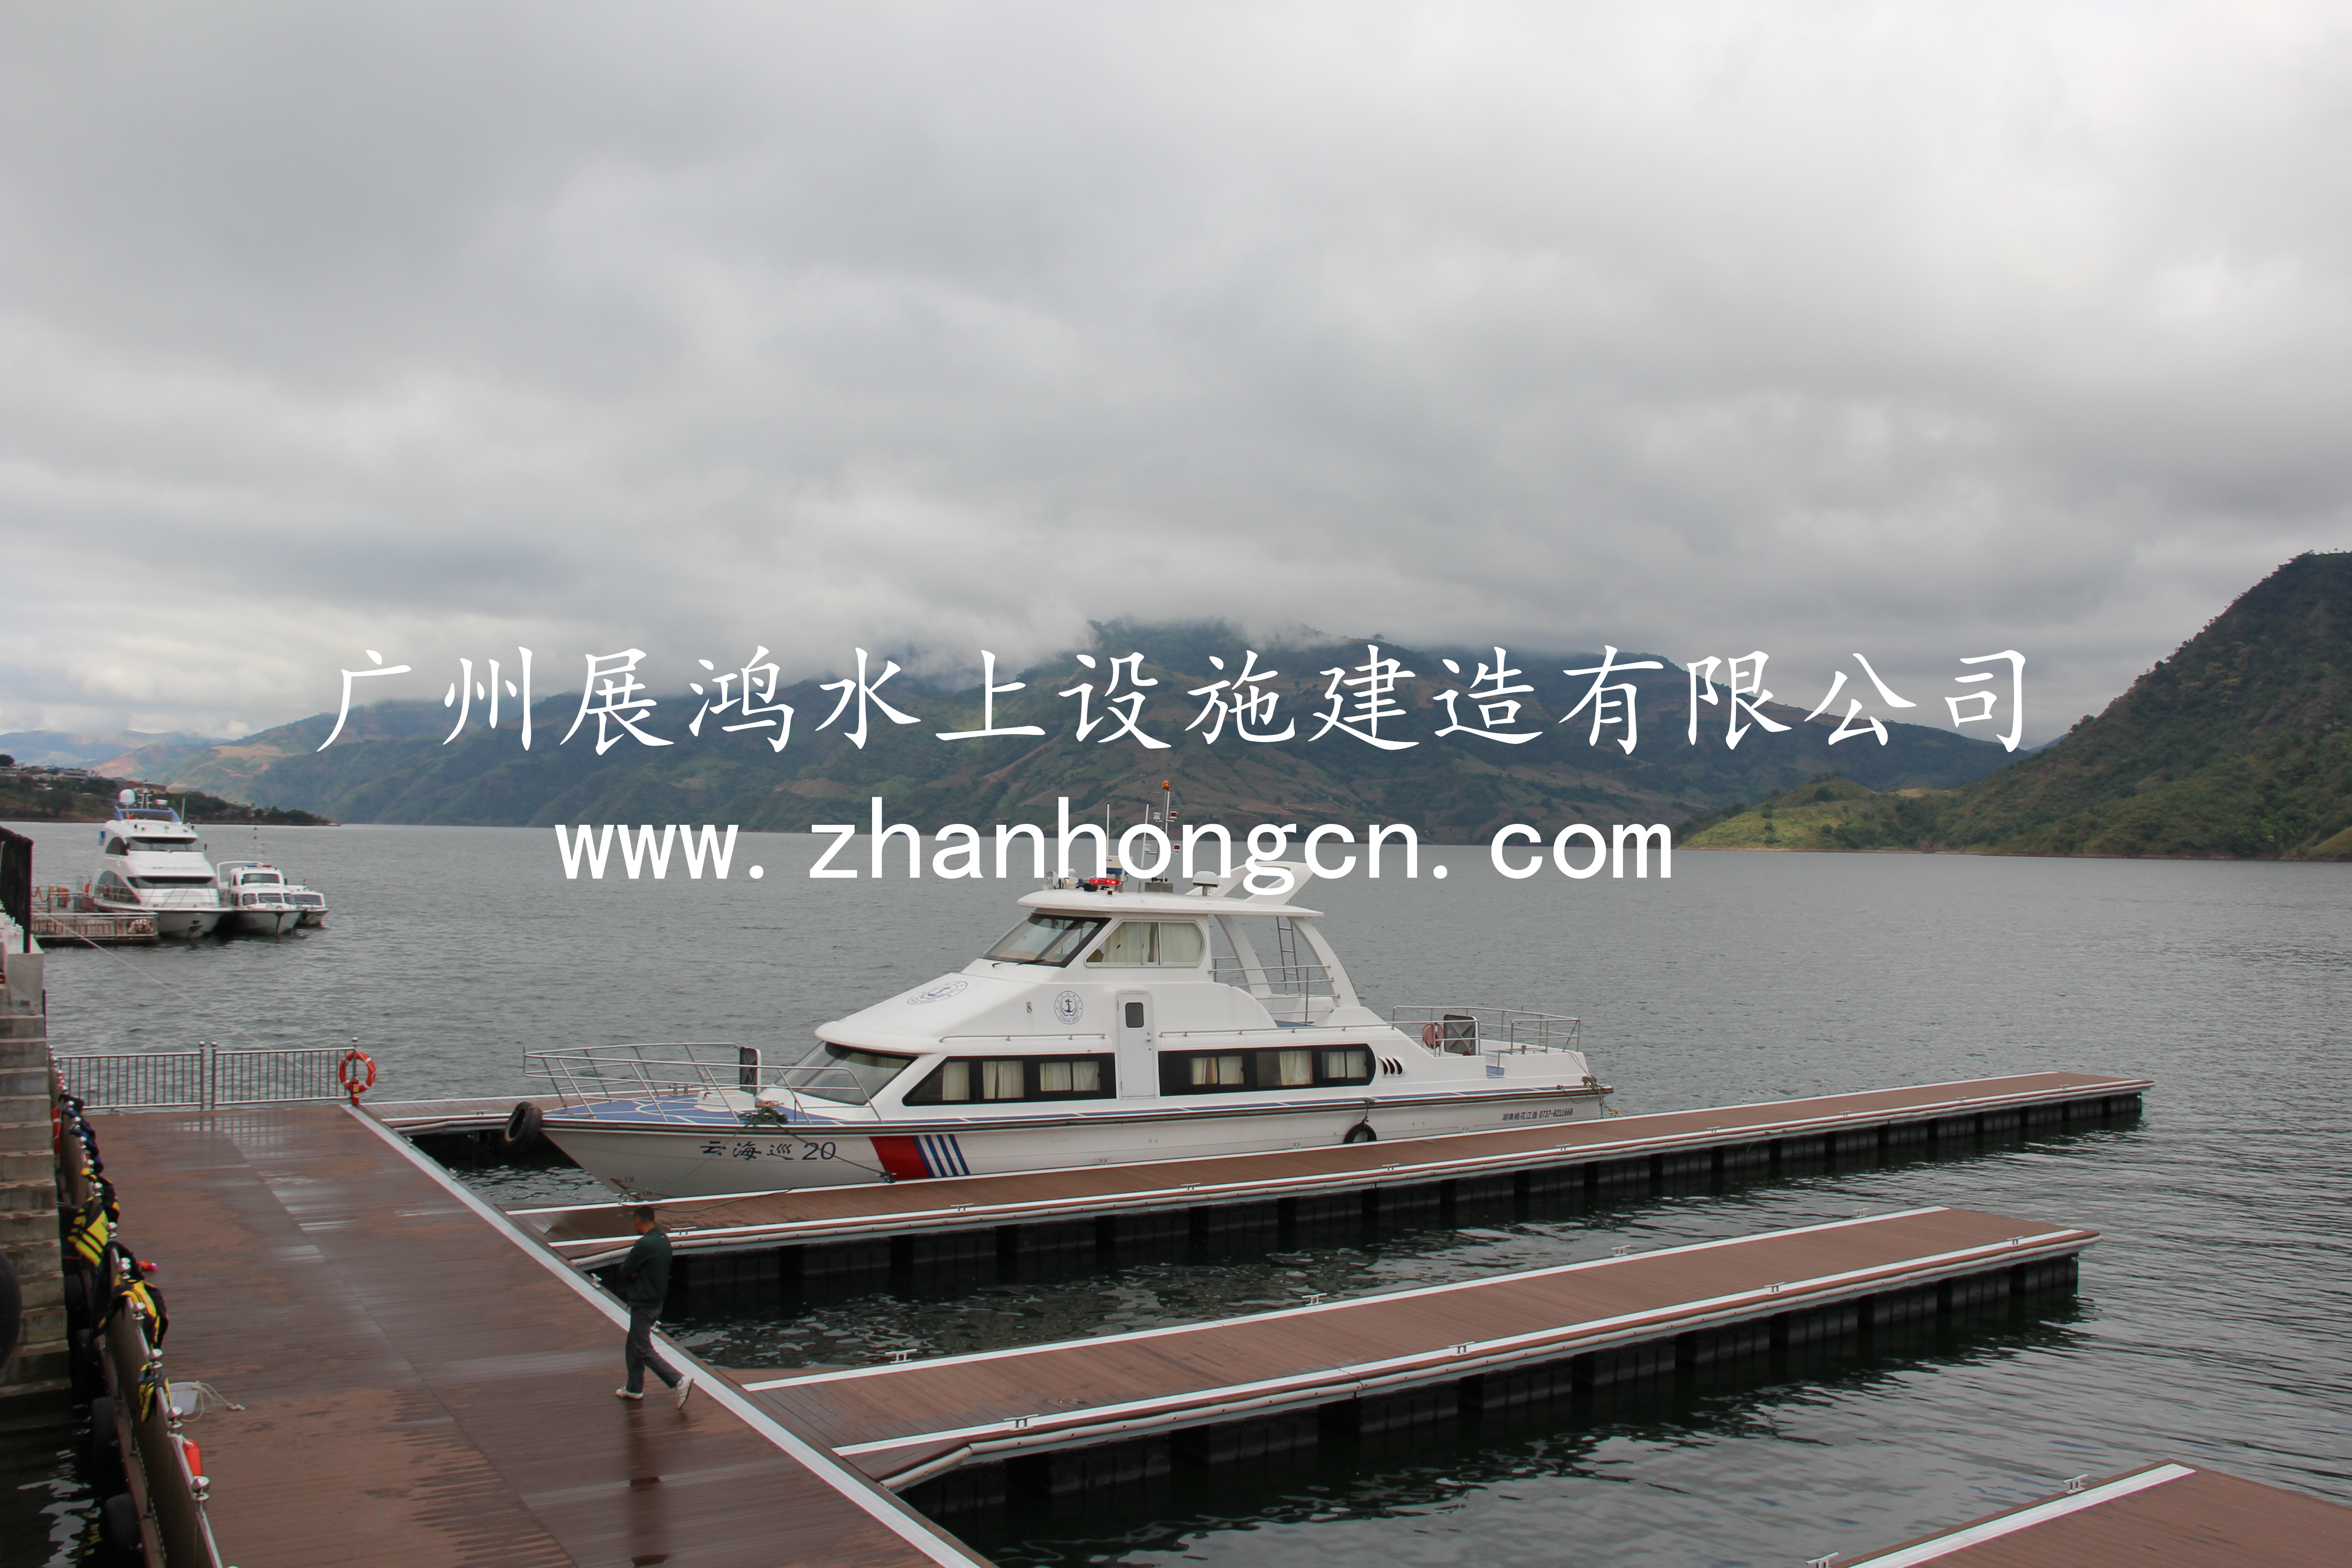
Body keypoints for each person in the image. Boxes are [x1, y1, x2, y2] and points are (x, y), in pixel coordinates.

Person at [614, 1205, 692, 1408]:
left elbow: (625, 1270)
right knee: (633, 1344)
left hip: (644, 1302)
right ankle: (634, 1388)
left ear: (638, 1221)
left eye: (634, 1222)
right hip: (657, 1301)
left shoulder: (645, 1244)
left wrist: (635, 1272)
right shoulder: (663, 1240)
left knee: (642, 1348)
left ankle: (679, 1381)